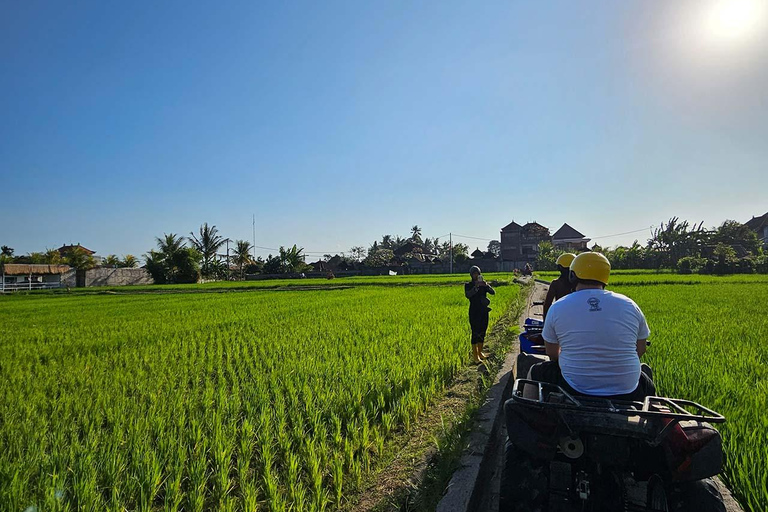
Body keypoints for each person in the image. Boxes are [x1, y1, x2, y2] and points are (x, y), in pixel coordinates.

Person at [529, 252, 655, 401]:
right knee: (648, 383)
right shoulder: (630, 305)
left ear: (572, 276)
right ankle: (654, 418)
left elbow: (552, 354)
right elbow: (640, 349)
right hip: (628, 390)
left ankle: (531, 413)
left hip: (575, 388)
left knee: (535, 371)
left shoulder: (558, 307)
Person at [465, 266, 495, 363]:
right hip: (474, 311)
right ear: (471, 275)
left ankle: (480, 352)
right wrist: (476, 287)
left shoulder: (483, 284)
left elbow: (493, 292)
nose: (476, 275)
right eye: (474, 274)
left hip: (483, 311)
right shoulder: (468, 285)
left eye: (477, 273)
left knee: (482, 331)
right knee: (475, 332)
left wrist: (486, 286)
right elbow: (468, 295)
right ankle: (475, 355)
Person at [542, 253, 576, 320]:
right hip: (576, 317)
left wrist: (545, 322)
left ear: (560, 268)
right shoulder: (578, 284)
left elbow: (547, 305)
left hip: (560, 317)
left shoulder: (556, 284)